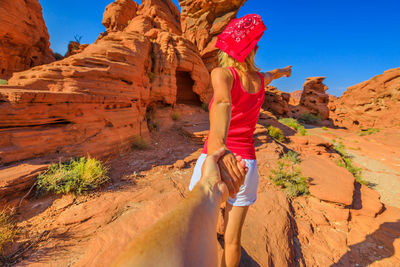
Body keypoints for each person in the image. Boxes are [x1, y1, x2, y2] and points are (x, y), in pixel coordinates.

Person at [188, 14, 292, 267]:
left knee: (195, 228)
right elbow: (272, 74)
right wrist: (284, 72)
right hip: (247, 163)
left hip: (216, 157)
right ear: (253, 49)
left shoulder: (222, 73)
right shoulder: (259, 80)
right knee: (233, 239)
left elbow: (223, 102)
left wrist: (221, 151)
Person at [112, 148, 247, 267]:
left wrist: (210, 187)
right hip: (245, 159)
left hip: (216, 160)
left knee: (200, 228)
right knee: (233, 240)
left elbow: (218, 138)